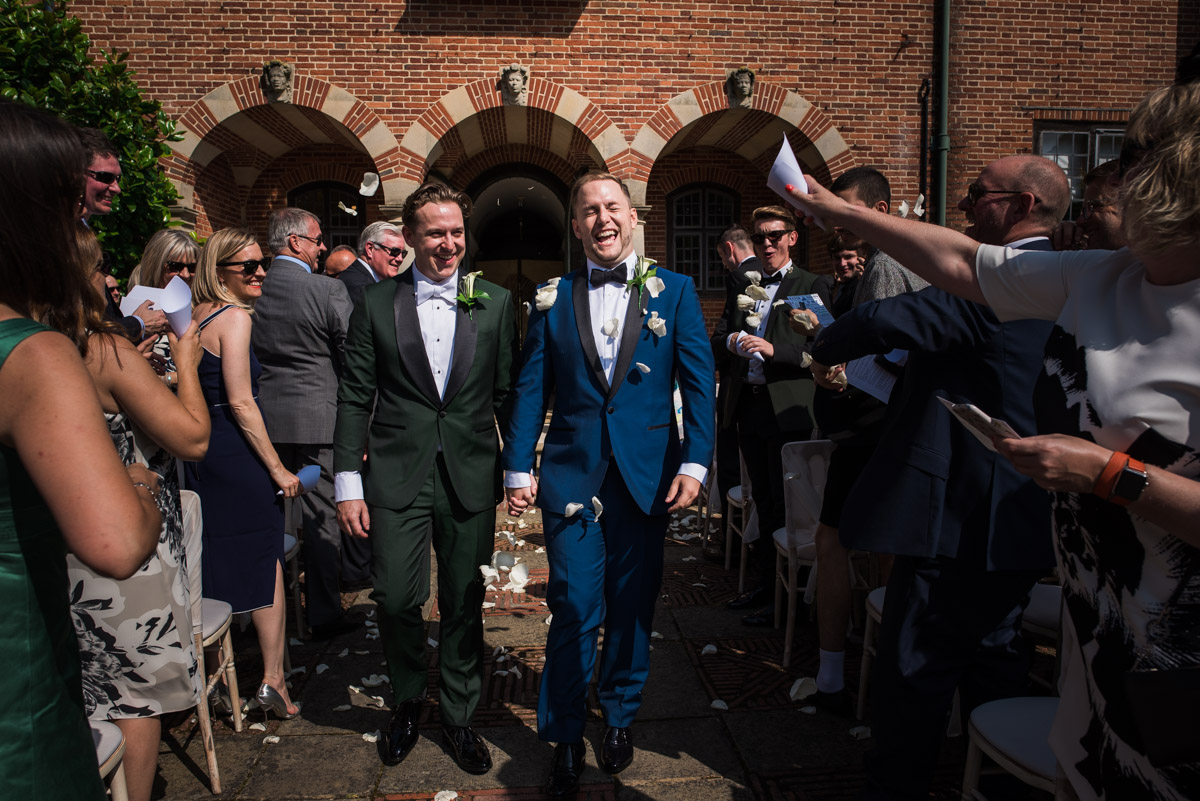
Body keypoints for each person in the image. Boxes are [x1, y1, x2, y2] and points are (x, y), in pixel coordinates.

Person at [788, 81, 1200, 801]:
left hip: (1175, 643)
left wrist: (1110, 474)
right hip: (1093, 621)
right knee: (1024, 698)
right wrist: (835, 209)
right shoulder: (1099, 277)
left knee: (925, 677)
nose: (1113, 186)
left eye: (1135, 163)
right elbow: (959, 264)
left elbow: (911, 313)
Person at [809, 154, 1066, 798]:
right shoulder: (1068, 274)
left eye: (978, 195)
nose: (965, 207)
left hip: (960, 513)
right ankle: (995, 781)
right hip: (1015, 512)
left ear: (1024, 206)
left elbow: (892, 318)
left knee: (914, 674)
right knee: (994, 656)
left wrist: (823, 341)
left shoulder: (1012, 278)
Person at [502, 172, 715, 799]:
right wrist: (519, 467)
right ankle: (566, 731)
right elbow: (529, 388)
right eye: (589, 211)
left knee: (632, 604)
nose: (603, 220)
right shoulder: (552, 296)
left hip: (648, 479)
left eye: (612, 207)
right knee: (571, 604)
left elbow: (699, 385)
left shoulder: (674, 292)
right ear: (575, 225)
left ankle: (619, 714)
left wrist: (695, 465)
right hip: (571, 474)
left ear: (632, 216)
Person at [0, 98, 162, 798]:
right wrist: (143, 485)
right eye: (76, 204)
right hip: (17, 696)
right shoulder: (33, 355)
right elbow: (118, 543)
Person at [334, 181, 517, 774]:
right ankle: (409, 699)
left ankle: (460, 716)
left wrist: (518, 469)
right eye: (435, 232)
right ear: (408, 237)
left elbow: (509, 394)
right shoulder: (375, 302)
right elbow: (356, 395)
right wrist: (346, 482)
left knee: (465, 598)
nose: (448, 243)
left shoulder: (494, 300)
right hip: (394, 473)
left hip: (470, 474)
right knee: (393, 594)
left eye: (456, 232)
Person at [67, 227, 208, 801]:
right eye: (99, 267)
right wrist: (186, 360)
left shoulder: (37, 343)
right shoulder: (102, 348)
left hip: (57, 540)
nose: (107, 279)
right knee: (132, 692)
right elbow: (192, 439)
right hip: (123, 534)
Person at [804, 167, 927, 713]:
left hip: (874, 431)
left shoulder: (883, 263)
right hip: (900, 429)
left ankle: (833, 676)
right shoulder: (916, 252)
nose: (836, 222)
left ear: (878, 210)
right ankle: (887, 674)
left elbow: (877, 353)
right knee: (885, 554)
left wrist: (832, 368)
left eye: (845, 208)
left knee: (834, 544)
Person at [186, 227, 302, 720]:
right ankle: (272, 680)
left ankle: (218, 677)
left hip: (198, 454)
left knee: (208, 562)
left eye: (263, 265)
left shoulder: (192, 317)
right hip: (236, 455)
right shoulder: (233, 318)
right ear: (219, 272)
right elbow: (240, 400)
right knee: (265, 559)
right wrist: (277, 468)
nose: (260, 273)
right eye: (247, 267)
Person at [718, 205, 832, 626]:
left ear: (792, 238)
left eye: (775, 236)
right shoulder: (745, 283)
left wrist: (773, 351)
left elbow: (826, 349)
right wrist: (733, 340)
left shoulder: (813, 284)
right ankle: (769, 585)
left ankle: (796, 598)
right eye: (761, 236)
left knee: (789, 504)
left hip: (789, 408)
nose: (767, 244)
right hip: (749, 405)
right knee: (762, 501)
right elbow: (719, 334)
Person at [252, 208, 355, 640]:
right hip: (318, 421)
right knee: (319, 518)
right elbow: (354, 356)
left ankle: (264, 607)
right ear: (295, 242)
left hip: (264, 422)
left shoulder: (250, 290)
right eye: (316, 240)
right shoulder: (324, 289)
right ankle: (325, 613)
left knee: (271, 517)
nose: (322, 248)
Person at [706, 223, 760, 558]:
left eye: (723, 259)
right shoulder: (769, 277)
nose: (725, 265)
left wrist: (720, 343)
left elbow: (726, 336)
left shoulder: (741, 279)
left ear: (729, 249)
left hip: (738, 393)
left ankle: (734, 543)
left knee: (731, 468)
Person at [338, 221, 408, 306]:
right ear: (370, 249)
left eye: (403, 253)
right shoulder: (359, 287)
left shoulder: (374, 282)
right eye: (394, 251)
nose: (400, 259)